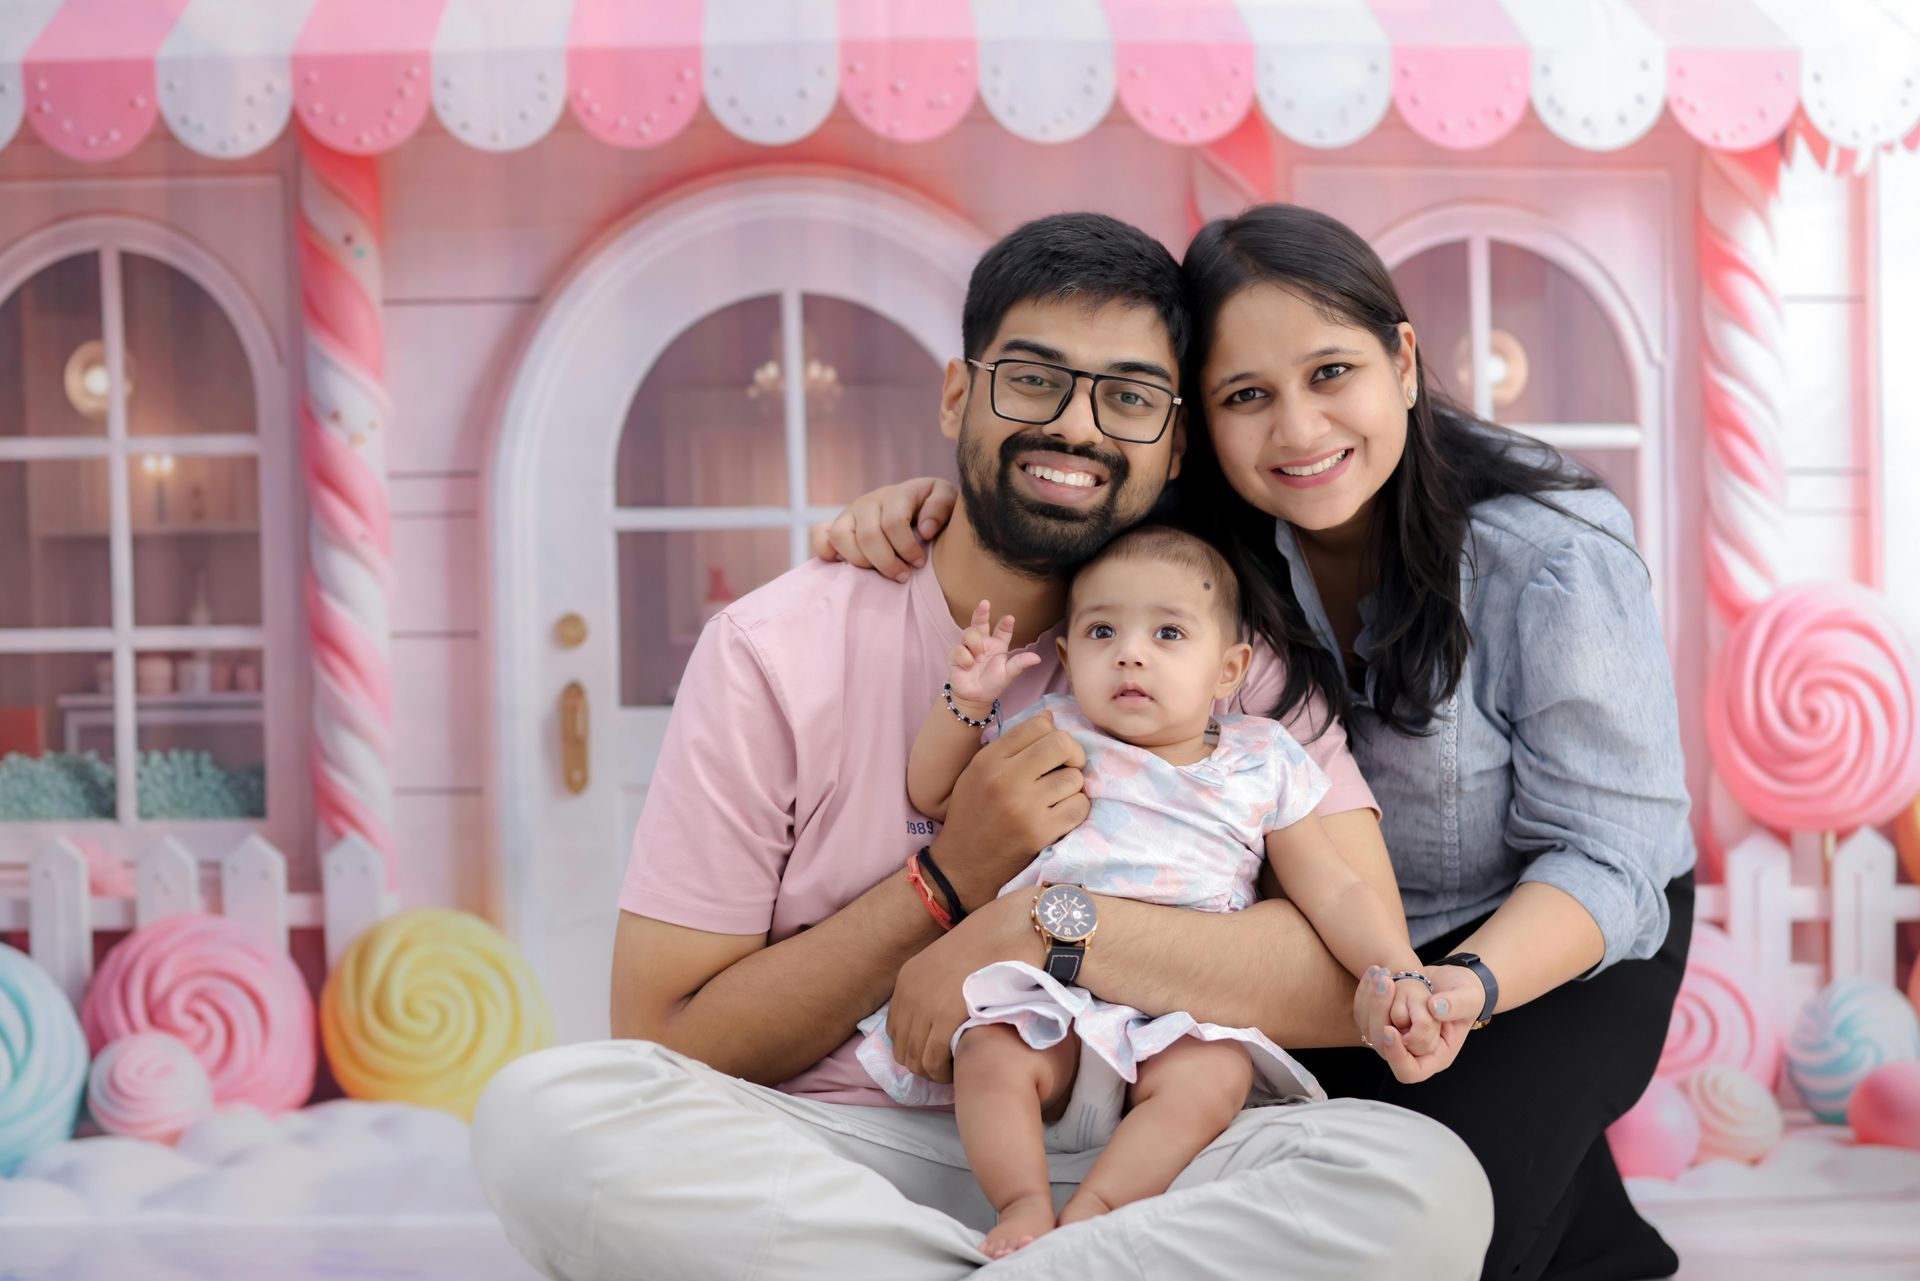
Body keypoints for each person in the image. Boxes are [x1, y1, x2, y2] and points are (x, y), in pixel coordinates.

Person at [469, 211, 1493, 1281]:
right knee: (547, 1119)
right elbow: (670, 1039)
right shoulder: (776, 651)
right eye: (1035, 380)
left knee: (1424, 1187)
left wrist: (1033, 930)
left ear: (1175, 442)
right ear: (960, 395)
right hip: (841, 1155)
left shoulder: (1229, 655)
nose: (1079, 429)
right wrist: (945, 882)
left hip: (1154, 1144)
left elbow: (1347, 981)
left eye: (1131, 398)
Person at [813, 202, 1696, 1281]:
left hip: (1545, 939)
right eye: (1247, 397)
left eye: (1332, 374)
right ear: (1200, 421)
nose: (1298, 433)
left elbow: (1612, 856)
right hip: (1324, 954)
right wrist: (916, 507)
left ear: (1403, 362)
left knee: (1446, 1224)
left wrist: (1461, 984)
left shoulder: (1550, 556)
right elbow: (1049, 502)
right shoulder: (1206, 538)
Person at [860, 528, 1444, 1257]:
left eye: (1169, 632)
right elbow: (935, 791)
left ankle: (1099, 1211)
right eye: (1103, 630)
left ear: (1228, 668)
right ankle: (1021, 1203)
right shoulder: (1054, 731)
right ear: (1068, 658)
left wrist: (1399, 970)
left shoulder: (1263, 759)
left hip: (1181, 1004)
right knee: (990, 1052)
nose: (1131, 652)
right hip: (1051, 995)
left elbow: (1334, 890)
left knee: (1216, 1077)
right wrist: (966, 701)